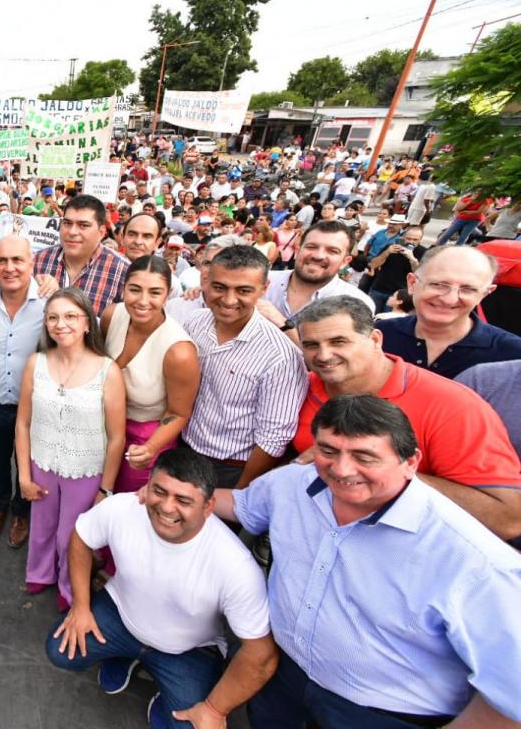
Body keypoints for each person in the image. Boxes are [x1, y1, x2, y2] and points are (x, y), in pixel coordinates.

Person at [214, 395, 521, 727]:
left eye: (364, 456)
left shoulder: (477, 563)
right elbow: (242, 506)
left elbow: (510, 694)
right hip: (282, 678)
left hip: (376, 714)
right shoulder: (291, 483)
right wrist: (166, 494)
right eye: (328, 451)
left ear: (411, 461)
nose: (342, 470)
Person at [46, 450, 277, 729]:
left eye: (183, 500)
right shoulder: (122, 508)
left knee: (188, 725)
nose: (167, 508)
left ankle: (162, 692)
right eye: (159, 491)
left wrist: (214, 711)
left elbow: (260, 655)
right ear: (148, 486)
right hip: (121, 616)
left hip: (189, 649)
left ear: (208, 506)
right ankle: (123, 655)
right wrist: (81, 606)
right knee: (60, 650)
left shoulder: (236, 566)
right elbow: (81, 538)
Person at [293, 296, 521, 541]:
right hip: (308, 543)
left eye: (339, 341)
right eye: (312, 345)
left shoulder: (449, 404)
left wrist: (389, 473)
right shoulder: (299, 387)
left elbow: (508, 519)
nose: (324, 355)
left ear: (375, 340)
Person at [16, 288, 125, 612]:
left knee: (71, 535)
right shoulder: (36, 363)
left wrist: (106, 487)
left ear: (88, 323)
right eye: (53, 317)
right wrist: (24, 474)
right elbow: (23, 423)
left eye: (70, 316)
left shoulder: (108, 371)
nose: (61, 324)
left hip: (85, 469)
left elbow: (116, 437)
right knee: (42, 526)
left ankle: (68, 584)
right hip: (43, 463)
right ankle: (39, 572)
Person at [181, 245, 309, 488]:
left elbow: (273, 438)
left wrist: (242, 492)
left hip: (232, 469)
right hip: (185, 449)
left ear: (264, 288)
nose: (229, 300)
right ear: (206, 281)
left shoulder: (281, 356)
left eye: (243, 290)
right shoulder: (194, 322)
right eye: (220, 287)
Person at [101, 256, 200, 493]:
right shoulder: (112, 315)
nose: (143, 301)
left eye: (155, 292)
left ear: (168, 294)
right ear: (123, 288)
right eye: (135, 290)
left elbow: (178, 413)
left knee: (125, 507)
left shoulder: (179, 352)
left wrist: (150, 448)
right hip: (100, 427)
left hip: (144, 437)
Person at [0, 235, 46, 547]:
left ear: (32, 263)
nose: (9, 267)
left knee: (28, 463)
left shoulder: (49, 301)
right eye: (2, 260)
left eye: (18, 260)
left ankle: (22, 510)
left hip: (34, 407)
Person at [376, 245, 521, 379]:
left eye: (468, 289)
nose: (449, 299)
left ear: (484, 294)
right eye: (438, 284)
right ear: (412, 283)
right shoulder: (379, 334)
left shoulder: (513, 356)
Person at [260, 220, 375, 330]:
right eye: (311, 247)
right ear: (298, 251)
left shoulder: (357, 303)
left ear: (345, 262)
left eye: (332, 251)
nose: (318, 256)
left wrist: (282, 323)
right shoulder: (262, 280)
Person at [33, 195, 130, 317]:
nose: (72, 232)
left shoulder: (123, 272)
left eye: (83, 225)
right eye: (67, 223)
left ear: (101, 232)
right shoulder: (37, 261)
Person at [366, 223, 425, 313]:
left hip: (399, 296)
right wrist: (387, 252)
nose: (411, 242)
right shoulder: (391, 246)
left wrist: (412, 259)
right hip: (378, 289)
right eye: (408, 238)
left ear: (420, 239)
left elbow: (420, 275)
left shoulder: (423, 252)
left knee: (386, 322)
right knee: (369, 317)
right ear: (403, 237)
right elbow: (373, 265)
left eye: (415, 239)